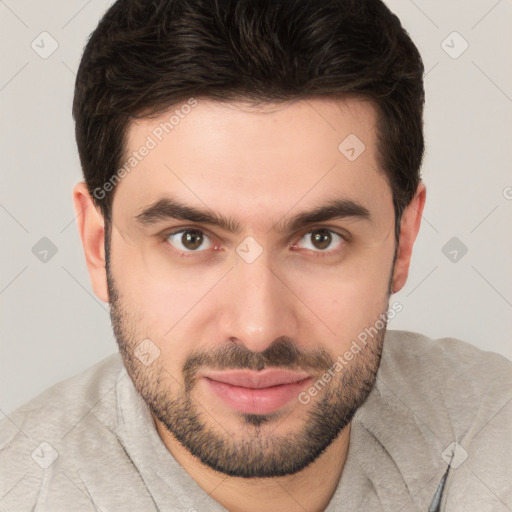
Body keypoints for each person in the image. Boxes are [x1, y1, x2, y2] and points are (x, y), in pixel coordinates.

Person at [1, 0, 511, 510]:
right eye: (191, 239)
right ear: (97, 245)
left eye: (320, 238)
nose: (258, 329)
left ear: (404, 238)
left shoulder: (493, 432)